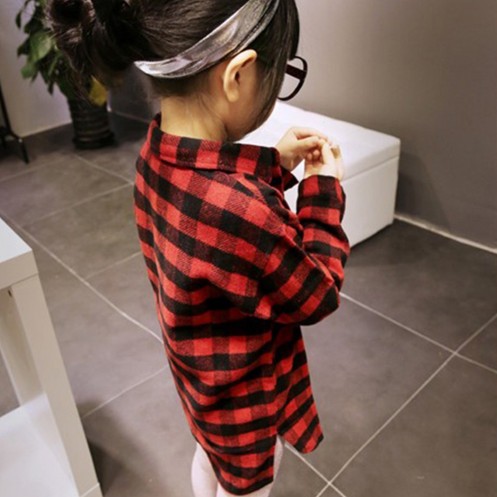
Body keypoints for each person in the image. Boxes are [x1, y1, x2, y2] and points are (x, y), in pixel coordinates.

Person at [49, 0, 350, 496]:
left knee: (209, 457)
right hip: (244, 405)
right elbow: (317, 293)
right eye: (280, 76)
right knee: (247, 483)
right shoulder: (242, 211)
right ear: (238, 75)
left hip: (199, 384)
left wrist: (274, 163)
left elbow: (217, 208)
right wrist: (322, 190)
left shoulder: (155, 154)